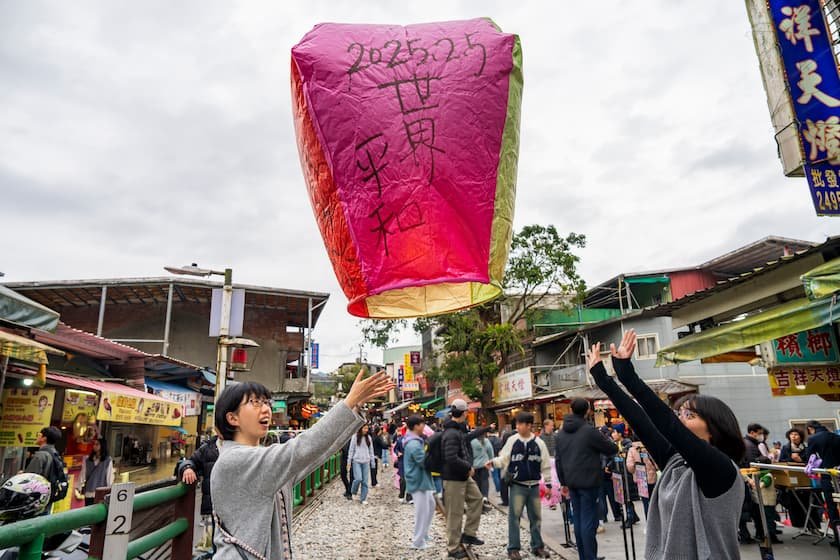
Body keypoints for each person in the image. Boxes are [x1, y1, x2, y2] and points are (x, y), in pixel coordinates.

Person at [588, 330, 745, 560]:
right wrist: (604, 380)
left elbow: (667, 423)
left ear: (715, 426)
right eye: (679, 413)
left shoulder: (721, 469)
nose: (680, 418)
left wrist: (628, 374)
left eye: (689, 415)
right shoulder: (676, 463)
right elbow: (641, 421)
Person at [210, 368, 393, 559]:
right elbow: (301, 449)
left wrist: (354, 407)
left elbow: (317, 453)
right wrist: (347, 403)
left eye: (266, 402)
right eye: (255, 403)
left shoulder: (262, 459)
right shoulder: (234, 460)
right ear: (232, 418)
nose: (266, 409)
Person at [555, 398, 618, 560]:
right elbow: (611, 448)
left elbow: (558, 459)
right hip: (589, 480)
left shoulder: (561, 433)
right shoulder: (588, 431)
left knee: (578, 518)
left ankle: (584, 555)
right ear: (587, 411)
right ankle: (589, 557)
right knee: (589, 520)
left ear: (571, 409)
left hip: (570, 481)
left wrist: (563, 482)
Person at [489, 411, 552, 560]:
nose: (517, 426)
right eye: (516, 424)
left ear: (529, 425)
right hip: (518, 485)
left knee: (536, 517)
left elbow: (546, 464)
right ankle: (513, 548)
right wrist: (493, 462)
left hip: (534, 485)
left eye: (520, 424)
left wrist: (548, 484)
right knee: (514, 517)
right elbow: (504, 458)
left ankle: (537, 546)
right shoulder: (512, 440)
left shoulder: (539, 443)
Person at [441, 399, 485, 559]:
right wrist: (467, 467)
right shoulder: (452, 433)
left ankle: (469, 533)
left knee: (477, 499)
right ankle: (452, 548)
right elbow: (451, 457)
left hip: (462, 476)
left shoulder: (456, 430)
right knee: (455, 513)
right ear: (465, 413)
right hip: (454, 478)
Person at [179, 435, 220, 551]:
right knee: (211, 547)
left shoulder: (244, 445)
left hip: (235, 512)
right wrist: (187, 468)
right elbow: (190, 461)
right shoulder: (209, 447)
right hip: (211, 508)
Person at [403, 415, 435, 550]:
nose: (424, 427)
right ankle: (418, 541)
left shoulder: (413, 441)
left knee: (430, 505)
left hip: (420, 479)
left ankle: (424, 535)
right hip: (418, 479)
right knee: (422, 511)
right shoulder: (414, 444)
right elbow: (423, 462)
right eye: (422, 424)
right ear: (416, 426)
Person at [805, 419, 840, 528]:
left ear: (810, 429)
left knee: (831, 505)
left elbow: (810, 457)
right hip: (838, 471)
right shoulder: (835, 436)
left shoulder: (813, 438)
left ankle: (837, 535)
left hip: (827, 474)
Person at [75, 438, 114, 506]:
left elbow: (109, 477)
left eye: (97, 444)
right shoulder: (88, 460)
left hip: (101, 493)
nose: (94, 446)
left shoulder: (108, 460)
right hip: (89, 493)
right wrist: (78, 487)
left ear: (102, 446)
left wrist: (109, 491)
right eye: (94, 444)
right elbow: (83, 474)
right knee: (89, 513)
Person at [626, 439, 657, 518]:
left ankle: (649, 522)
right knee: (655, 501)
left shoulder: (632, 450)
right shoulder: (649, 446)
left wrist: (634, 470)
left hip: (641, 479)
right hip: (652, 478)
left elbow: (629, 466)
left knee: (645, 502)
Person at [348, 424, 376, 504]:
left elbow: (371, 450)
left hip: (366, 461)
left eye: (367, 428)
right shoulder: (355, 437)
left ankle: (363, 498)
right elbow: (351, 450)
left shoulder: (369, 438)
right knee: (358, 478)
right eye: (364, 428)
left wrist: (372, 462)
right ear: (360, 428)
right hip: (356, 461)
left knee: (365, 481)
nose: (366, 430)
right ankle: (353, 491)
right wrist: (349, 461)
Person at [470, 430, 494, 503]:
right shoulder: (486, 441)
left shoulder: (472, 442)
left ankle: (477, 495)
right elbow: (490, 451)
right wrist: (491, 460)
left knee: (476, 481)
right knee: (484, 480)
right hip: (484, 464)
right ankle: (485, 496)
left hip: (474, 465)